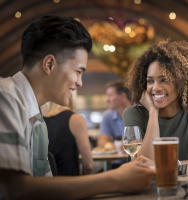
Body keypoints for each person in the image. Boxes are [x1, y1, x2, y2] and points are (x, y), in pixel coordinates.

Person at [0, 16, 154, 200]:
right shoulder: (6, 96)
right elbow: (14, 190)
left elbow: (45, 190)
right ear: (49, 64)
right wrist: (116, 179)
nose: (80, 83)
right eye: (78, 72)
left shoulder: (37, 117)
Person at [123, 40, 188, 173]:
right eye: (150, 81)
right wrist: (153, 112)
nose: (155, 88)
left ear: (182, 82)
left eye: (164, 79)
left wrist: (167, 168)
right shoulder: (133, 113)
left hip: (185, 187)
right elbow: (143, 167)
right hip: (144, 189)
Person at [42, 102, 93, 175]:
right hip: (69, 183)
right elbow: (88, 165)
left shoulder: (34, 119)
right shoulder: (75, 119)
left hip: (42, 184)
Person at [97, 81, 132, 150]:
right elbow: (101, 142)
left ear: (123, 96)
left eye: (110, 96)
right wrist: (118, 146)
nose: (107, 100)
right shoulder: (108, 115)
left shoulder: (138, 113)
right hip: (117, 160)